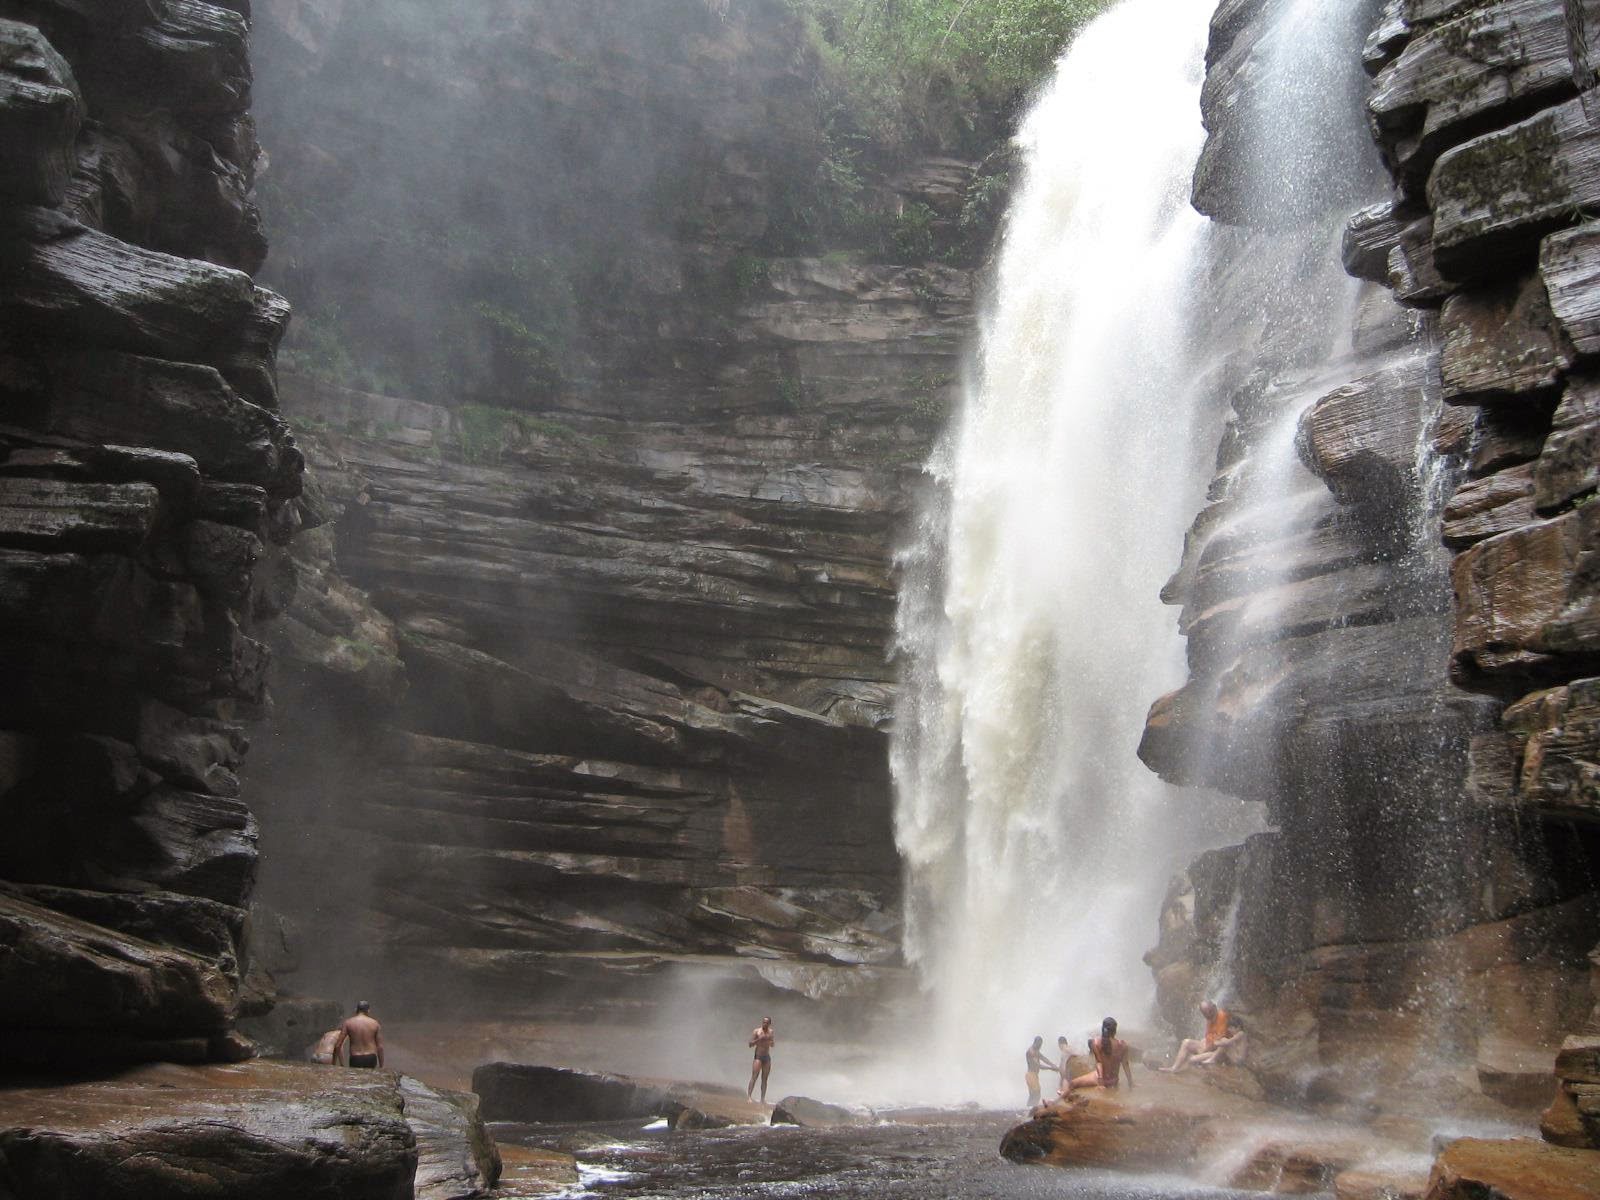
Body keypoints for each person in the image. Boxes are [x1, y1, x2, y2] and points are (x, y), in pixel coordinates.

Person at [1064, 1017, 1134, 1094]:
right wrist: (1131, 1083)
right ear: (1115, 1031)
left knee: (1072, 1083)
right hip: (1114, 1081)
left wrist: (1101, 1083)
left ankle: (1060, 1097)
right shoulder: (1122, 1045)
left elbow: (1099, 1063)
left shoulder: (1096, 1043)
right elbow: (1125, 1064)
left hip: (1101, 1079)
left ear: (1103, 1029)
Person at [1160, 999, 1230, 1073]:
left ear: (1215, 1007)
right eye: (1206, 1014)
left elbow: (1219, 1040)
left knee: (1191, 1059)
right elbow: (1209, 1036)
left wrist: (1205, 1049)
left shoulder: (1222, 1016)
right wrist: (1204, 1043)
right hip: (1208, 1047)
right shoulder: (1209, 1019)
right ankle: (1174, 1068)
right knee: (1186, 1042)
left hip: (1217, 1052)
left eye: (1210, 1012)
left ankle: (1184, 1069)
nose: (1209, 1016)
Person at [330, 1000, 384, 1069]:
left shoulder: (348, 1023)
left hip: (355, 1058)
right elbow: (380, 1047)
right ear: (368, 1011)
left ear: (356, 1010)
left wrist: (336, 1063)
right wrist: (381, 1066)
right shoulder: (375, 1023)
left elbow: (338, 1045)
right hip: (371, 1057)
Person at [747, 1016, 775, 1102]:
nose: (765, 1024)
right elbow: (750, 1044)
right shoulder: (757, 1031)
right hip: (758, 1056)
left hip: (766, 1056)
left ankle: (762, 1099)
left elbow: (772, 1045)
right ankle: (749, 1097)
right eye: (764, 1022)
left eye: (767, 1023)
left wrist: (770, 1041)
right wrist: (759, 1039)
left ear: (769, 1024)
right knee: (754, 1076)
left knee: (764, 1078)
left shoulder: (771, 1032)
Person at [1024, 1036, 1058, 1107]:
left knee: (1035, 1094)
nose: (1040, 1046)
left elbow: (1044, 1058)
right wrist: (1051, 1068)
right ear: (1036, 1043)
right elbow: (1038, 1066)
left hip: (1034, 1075)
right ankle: (1029, 1108)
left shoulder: (1036, 1050)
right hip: (1031, 1075)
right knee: (1035, 1094)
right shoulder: (1030, 1052)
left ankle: (1030, 1108)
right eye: (1040, 1044)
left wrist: (1053, 1065)